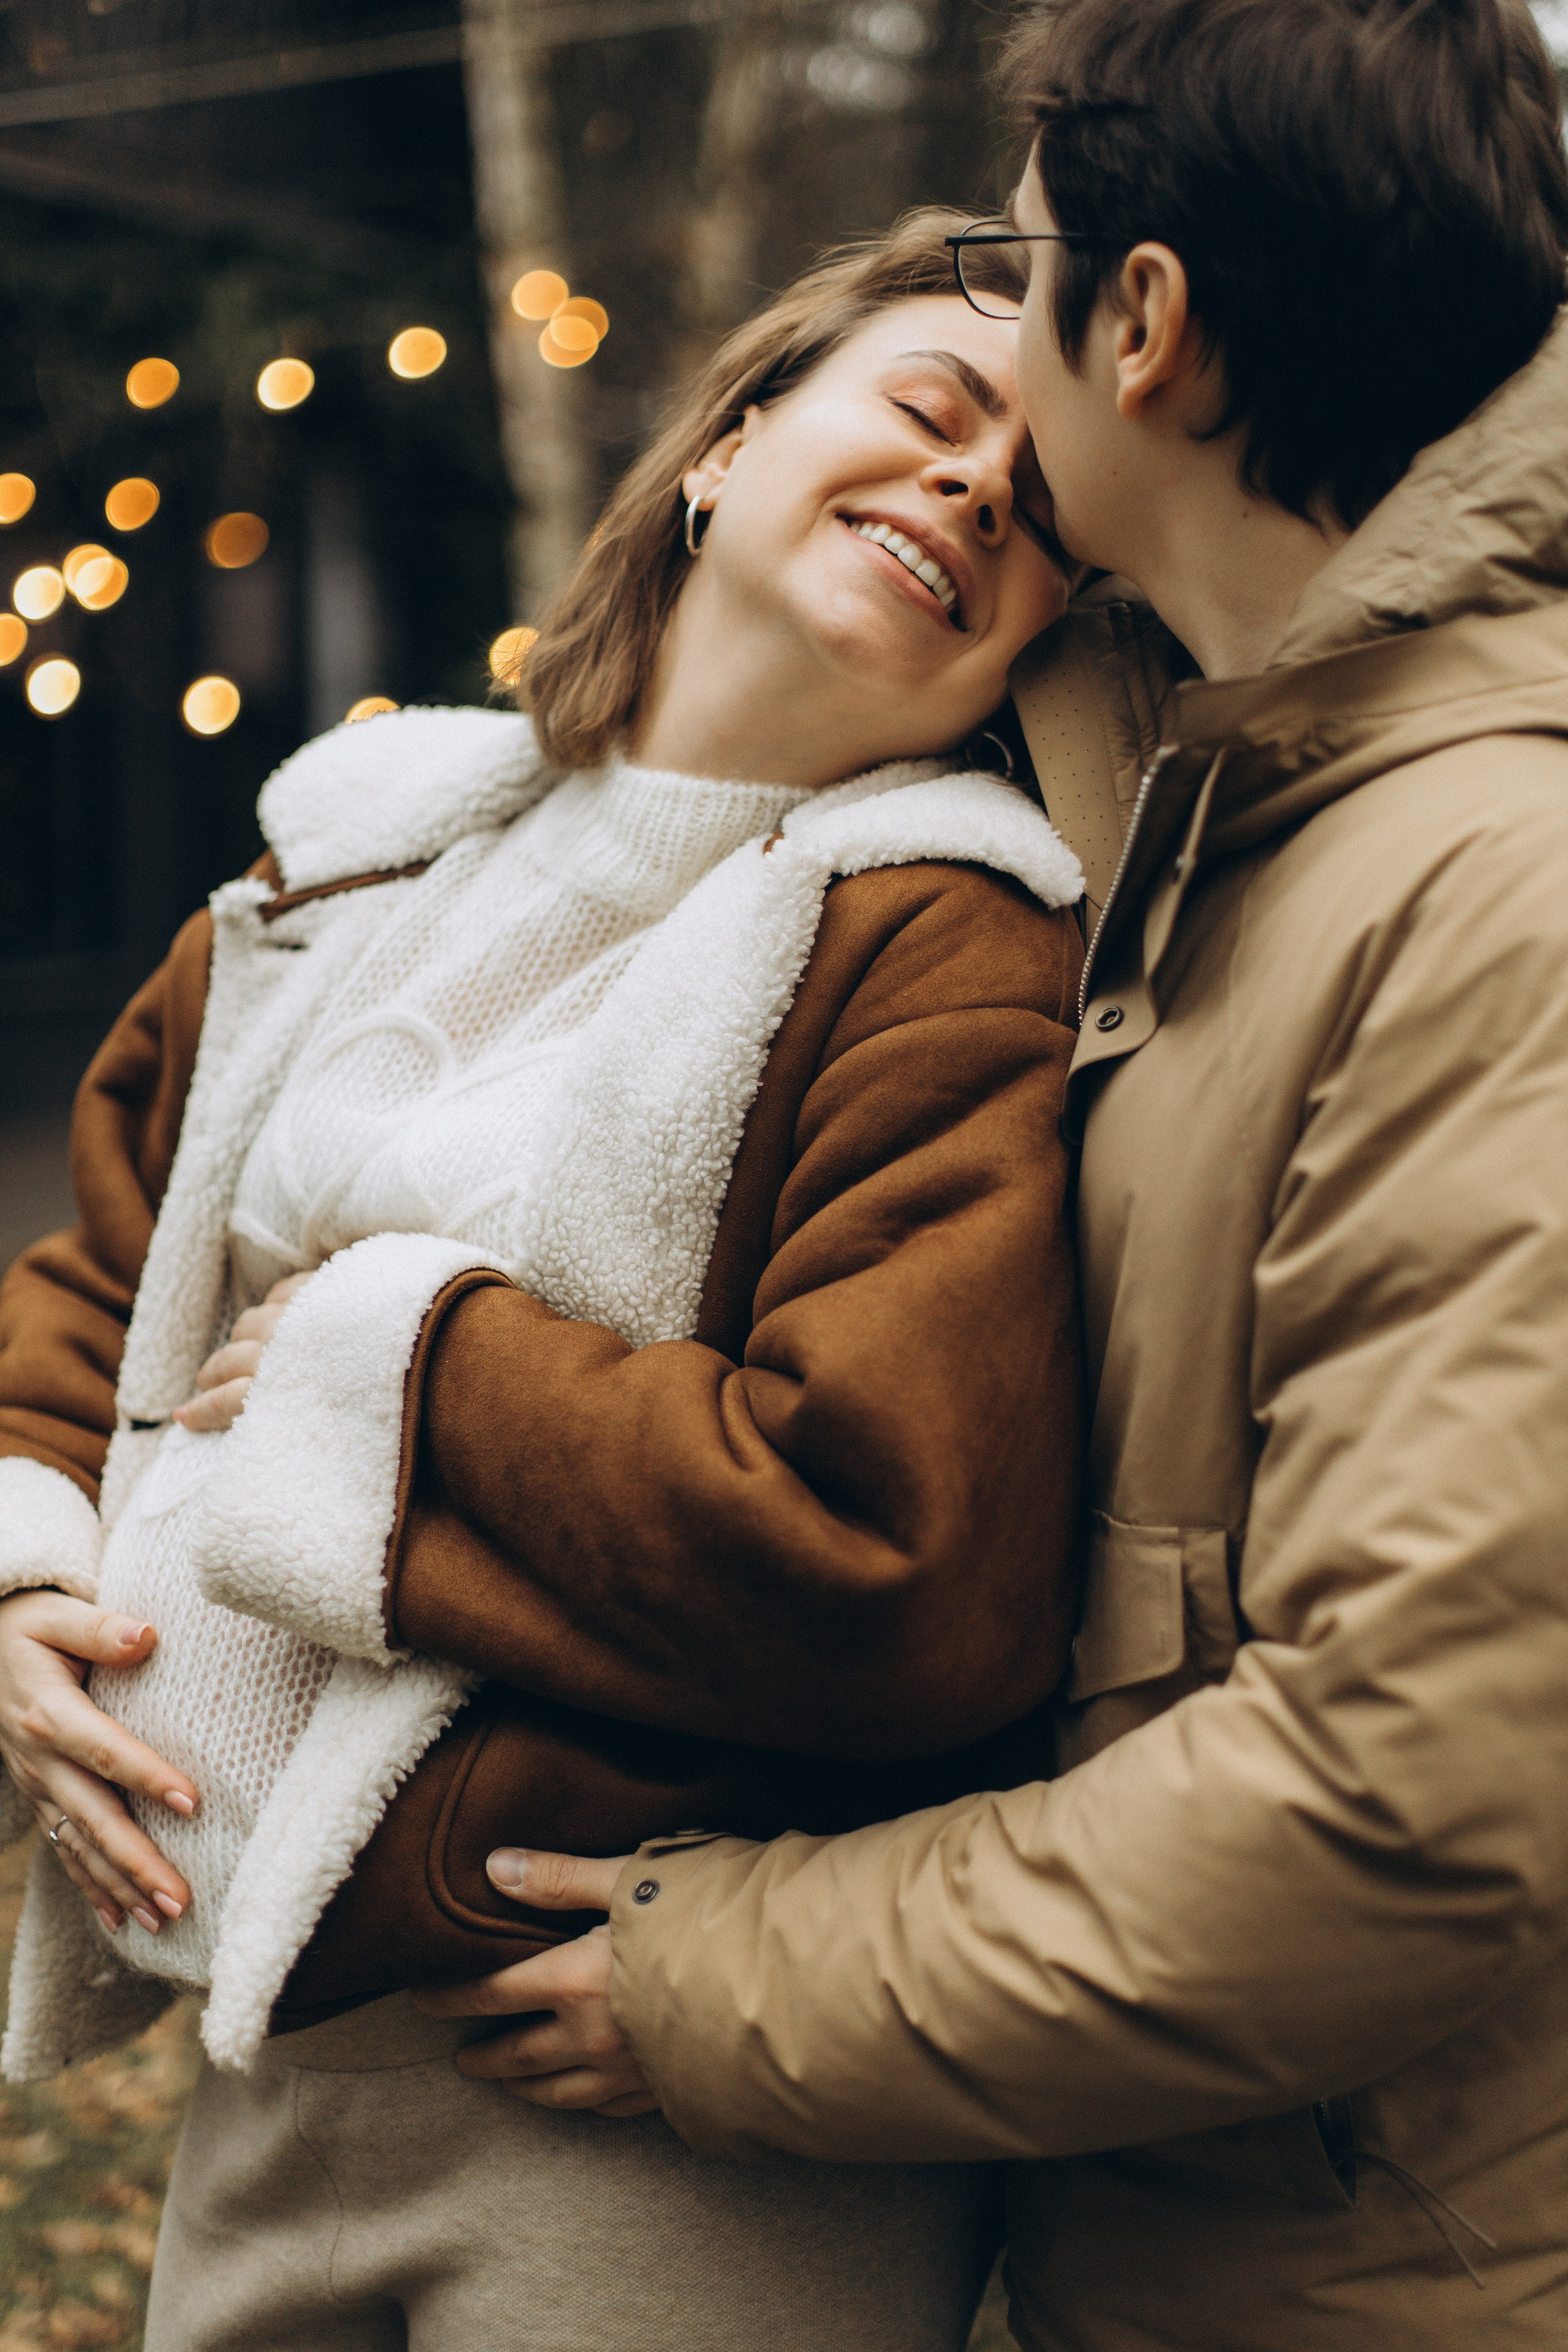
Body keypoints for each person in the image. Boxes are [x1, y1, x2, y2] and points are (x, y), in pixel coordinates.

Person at [425, 4, 1568, 2346]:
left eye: (1019, 261)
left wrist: (724, 1986)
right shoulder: (1217, 801)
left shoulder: (1499, 897)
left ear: (1141, 327)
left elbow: (1402, 1797)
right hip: (1182, 2234)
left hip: (1391, 2278)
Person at [0, 212, 1091, 2349]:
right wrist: (28, 1589)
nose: (975, 486)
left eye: (1045, 509)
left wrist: (394, 1359)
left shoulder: (953, 941)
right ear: (733, 437)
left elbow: (893, 1544)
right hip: (259, 2061)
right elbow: (100, 1288)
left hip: (629, 2115)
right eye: (933, 410)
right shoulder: (358, 841)